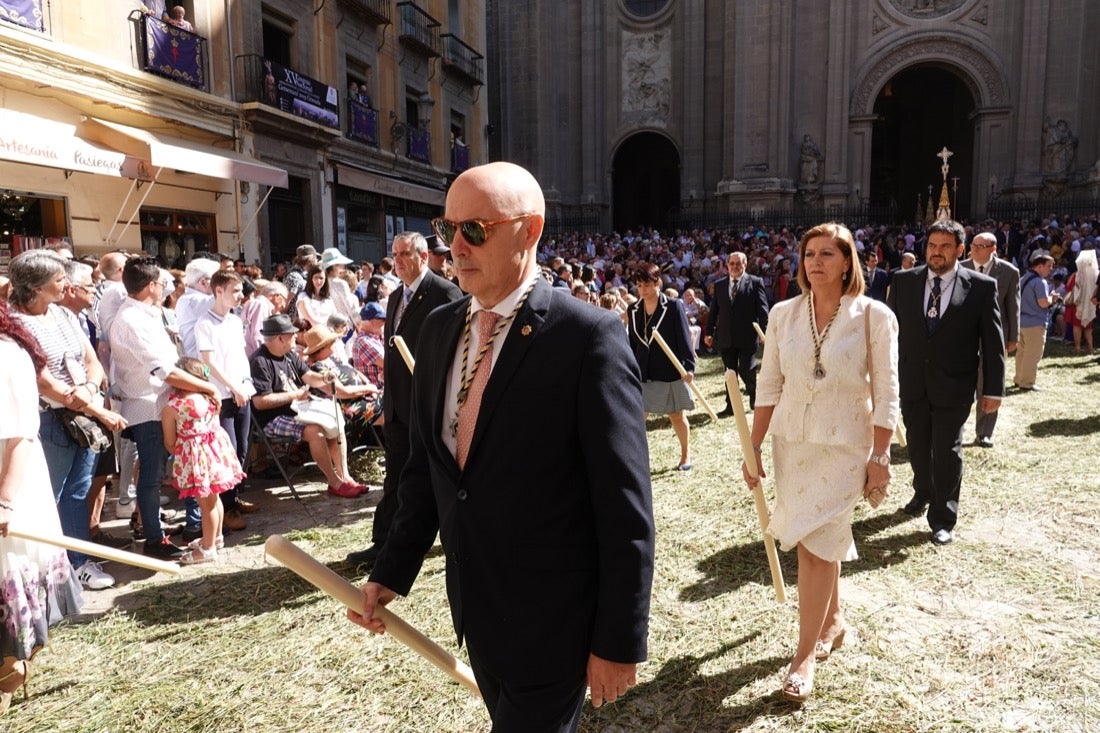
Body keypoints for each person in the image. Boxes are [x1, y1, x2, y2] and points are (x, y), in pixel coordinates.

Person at [347, 162, 655, 731]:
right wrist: (393, 568)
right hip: (476, 610)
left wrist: (618, 639)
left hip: (555, 620)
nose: (456, 248)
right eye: (448, 230)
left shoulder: (587, 338)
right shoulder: (438, 329)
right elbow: (426, 469)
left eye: (476, 230)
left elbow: (624, 507)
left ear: (530, 230)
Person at [744, 222, 899, 704]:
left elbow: (886, 391)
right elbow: (768, 385)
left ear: (848, 261)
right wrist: (753, 447)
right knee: (818, 540)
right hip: (794, 444)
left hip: (846, 447)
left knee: (816, 547)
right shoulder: (782, 314)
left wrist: (880, 454)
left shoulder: (874, 316)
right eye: (809, 253)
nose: (815, 262)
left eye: (827, 253)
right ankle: (832, 622)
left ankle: (803, 657)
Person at [8, 251, 128, 589]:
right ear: (38, 285)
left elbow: (90, 358)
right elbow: (41, 379)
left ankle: (79, 562)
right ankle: (47, 568)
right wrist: (89, 405)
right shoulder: (16, 323)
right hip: (50, 419)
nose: (67, 284)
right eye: (60, 279)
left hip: (81, 412)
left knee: (77, 491)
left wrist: (88, 392)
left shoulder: (62, 313)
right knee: (49, 495)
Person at [344, 232, 462, 566]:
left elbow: (450, 348)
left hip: (428, 403)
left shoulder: (444, 293)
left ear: (423, 257)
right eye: (393, 254)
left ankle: (452, 538)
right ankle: (383, 543)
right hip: (397, 405)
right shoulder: (395, 297)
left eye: (404, 254)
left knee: (435, 476)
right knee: (395, 476)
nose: (396, 260)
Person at [887, 219, 1004, 546]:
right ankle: (923, 490)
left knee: (947, 450)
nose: (937, 253)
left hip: (955, 385)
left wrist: (992, 390)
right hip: (912, 382)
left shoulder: (981, 287)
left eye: (945, 247)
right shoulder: (904, 281)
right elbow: (889, 334)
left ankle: (943, 517)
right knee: (918, 444)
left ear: (960, 250)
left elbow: (993, 343)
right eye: (932, 246)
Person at [0, 299, 84, 715]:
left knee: (10, 581)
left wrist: (4, 502)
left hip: (10, 484)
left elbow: (20, 436)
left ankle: (11, 672)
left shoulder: (6, 354)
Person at [106, 258, 220, 560]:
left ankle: (183, 530)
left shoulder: (145, 314)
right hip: (148, 408)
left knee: (157, 474)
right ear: (149, 287)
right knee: (152, 477)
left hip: (162, 405)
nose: (163, 288)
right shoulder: (131, 320)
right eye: (159, 283)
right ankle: (154, 538)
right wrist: (207, 387)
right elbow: (163, 371)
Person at [249, 314, 373, 497]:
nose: (296, 336)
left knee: (335, 419)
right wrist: (295, 395)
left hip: (297, 410)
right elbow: (260, 403)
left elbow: (309, 377)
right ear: (279, 338)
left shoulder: (289, 355)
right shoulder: (260, 361)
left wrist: (324, 377)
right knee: (315, 431)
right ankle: (334, 482)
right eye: (291, 334)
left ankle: (345, 477)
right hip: (271, 418)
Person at [193, 270, 257, 537]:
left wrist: (244, 384)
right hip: (223, 396)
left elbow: (239, 357)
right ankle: (228, 506)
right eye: (235, 290)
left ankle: (234, 496)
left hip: (242, 391)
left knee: (242, 448)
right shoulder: (204, 323)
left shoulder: (234, 321)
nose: (240, 296)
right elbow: (209, 362)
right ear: (218, 290)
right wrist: (231, 387)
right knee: (226, 451)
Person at [161, 357, 244, 564]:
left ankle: (207, 550)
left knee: (205, 505)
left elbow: (170, 442)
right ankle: (216, 538)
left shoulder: (172, 408)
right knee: (215, 499)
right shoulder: (211, 398)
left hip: (197, 462)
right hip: (215, 456)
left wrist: (182, 452)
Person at [627, 263, 696, 470]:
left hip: (669, 369)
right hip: (644, 371)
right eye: (639, 286)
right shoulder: (634, 310)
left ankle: (685, 455)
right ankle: (636, 460)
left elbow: (684, 338)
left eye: (647, 285)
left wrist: (689, 367)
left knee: (676, 415)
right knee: (638, 416)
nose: (642, 290)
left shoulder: (673, 306)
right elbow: (633, 342)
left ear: (658, 283)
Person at [961, 231, 1020, 447]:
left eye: (981, 246)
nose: (974, 249)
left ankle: (984, 432)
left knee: (990, 384)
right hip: (963, 337)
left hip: (994, 337)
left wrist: (1013, 337)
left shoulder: (1008, 272)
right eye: (973, 245)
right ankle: (956, 427)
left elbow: (1013, 306)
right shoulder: (960, 267)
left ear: (993, 249)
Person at [705, 251, 769, 414]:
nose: (735, 267)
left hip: (747, 336)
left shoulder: (755, 283)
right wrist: (709, 332)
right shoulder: (719, 285)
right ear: (727, 265)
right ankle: (731, 405)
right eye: (731, 264)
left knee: (747, 368)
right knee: (729, 373)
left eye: (738, 263)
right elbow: (714, 311)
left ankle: (755, 397)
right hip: (726, 337)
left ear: (745, 265)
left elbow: (763, 310)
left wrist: (765, 332)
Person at [1014, 251, 1060, 390]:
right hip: (1035, 323)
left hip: (1021, 322)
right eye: (1049, 266)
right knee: (1032, 354)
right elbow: (1043, 303)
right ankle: (1027, 383)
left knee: (1021, 353)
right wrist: (1053, 298)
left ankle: (1019, 378)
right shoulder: (1040, 282)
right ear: (1039, 266)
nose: (1050, 270)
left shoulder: (1022, 279)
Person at [1064, 246, 1098, 353]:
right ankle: (1090, 347)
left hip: (1078, 304)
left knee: (1077, 326)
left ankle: (1078, 347)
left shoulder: (1076, 275)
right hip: (1091, 303)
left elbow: (1068, 288)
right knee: (1088, 327)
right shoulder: (1096, 275)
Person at [295, 265, 336, 329]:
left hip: (329, 334)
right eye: (315, 277)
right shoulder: (303, 297)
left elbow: (334, 316)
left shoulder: (329, 299)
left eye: (321, 278)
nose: (318, 281)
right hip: (311, 334)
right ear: (311, 278)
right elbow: (308, 319)